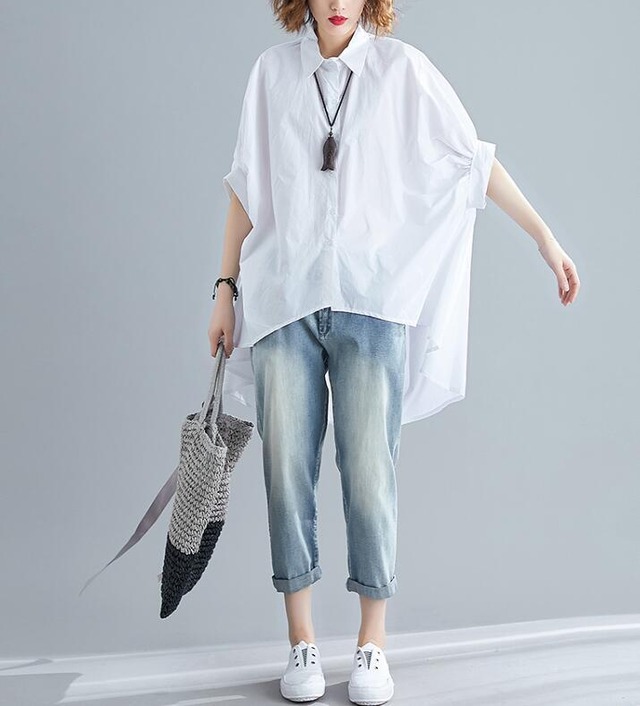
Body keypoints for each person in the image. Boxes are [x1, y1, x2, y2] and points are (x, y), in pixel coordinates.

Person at [208, 1, 581, 704]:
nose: (337, 3)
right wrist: (225, 290)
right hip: (284, 298)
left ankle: (372, 645)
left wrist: (545, 238)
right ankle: (301, 643)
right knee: (285, 470)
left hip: (373, 301)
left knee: (370, 473)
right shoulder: (271, 75)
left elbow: (473, 160)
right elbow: (245, 187)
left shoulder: (402, 71)